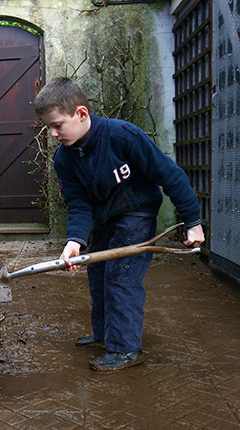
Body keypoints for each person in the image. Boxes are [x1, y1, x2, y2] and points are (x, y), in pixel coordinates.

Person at [32, 77, 205, 373]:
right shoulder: (64, 159)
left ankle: (125, 348)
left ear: (82, 114)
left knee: (121, 276)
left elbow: (170, 175)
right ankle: (104, 334)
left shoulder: (123, 136)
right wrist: (74, 241)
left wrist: (193, 221)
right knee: (98, 272)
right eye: (48, 127)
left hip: (137, 212)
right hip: (105, 216)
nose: (52, 133)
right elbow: (79, 204)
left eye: (58, 125)